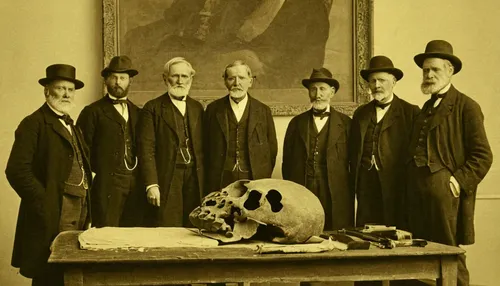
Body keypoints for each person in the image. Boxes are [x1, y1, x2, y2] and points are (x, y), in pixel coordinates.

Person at [406, 40, 493, 286]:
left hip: (445, 197)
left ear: (450, 70)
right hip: (417, 194)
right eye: (425, 70)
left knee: (449, 255)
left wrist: (455, 183)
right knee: (419, 257)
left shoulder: (466, 106)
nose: (429, 75)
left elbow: (483, 155)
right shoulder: (425, 108)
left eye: (435, 69)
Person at [5, 64, 92, 286]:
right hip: (53, 210)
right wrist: (45, 200)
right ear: (47, 92)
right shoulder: (33, 123)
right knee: (49, 271)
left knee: (71, 268)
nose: (66, 94)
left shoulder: (72, 125)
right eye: (60, 88)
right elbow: (16, 170)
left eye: (70, 90)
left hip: (79, 208)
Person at [350, 56, 420, 229]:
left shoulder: (410, 112)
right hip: (366, 182)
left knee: (395, 231)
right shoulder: (361, 113)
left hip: (396, 183)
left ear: (394, 81)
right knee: (367, 231)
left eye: (381, 80)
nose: (376, 85)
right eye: (372, 81)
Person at [77, 55, 145, 227]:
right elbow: (82, 151)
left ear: (130, 81)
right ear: (106, 80)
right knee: (106, 235)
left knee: (134, 236)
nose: (118, 82)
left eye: (122, 78)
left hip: (134, 185)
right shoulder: (92, 112)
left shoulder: (138, 113)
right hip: (106, 186)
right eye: (114, 77)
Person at [282, 68, 354, 231]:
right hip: (304, 187)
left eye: (322, 89)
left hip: (335, 191)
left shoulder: (346, 124)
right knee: (304, 230)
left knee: (335, 233)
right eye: (313, 89)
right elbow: (286, 162)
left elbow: (353, 162)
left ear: (332, 92)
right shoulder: (296, 123)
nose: (317, 94)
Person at [137, 57, 204, 227]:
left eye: (184, 76)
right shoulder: (152, 108)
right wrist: (151, 184)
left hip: (194, 179)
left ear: (191, 79)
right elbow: (146, 149)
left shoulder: (197, 108)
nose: (180, 81)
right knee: (168, 227)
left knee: (194, 228)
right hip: (167, 177)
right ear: (165, 78)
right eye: (175, 76)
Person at [204, 60, 278, 193]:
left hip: (253, 178)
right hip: (220, 178)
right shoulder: (213, 109)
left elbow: (272, 149)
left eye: (242, 78)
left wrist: (261, 173)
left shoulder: (263, 110)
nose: (237, 83)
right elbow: (205, 146)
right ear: (225, 81)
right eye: (231, 78)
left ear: (250, 82)